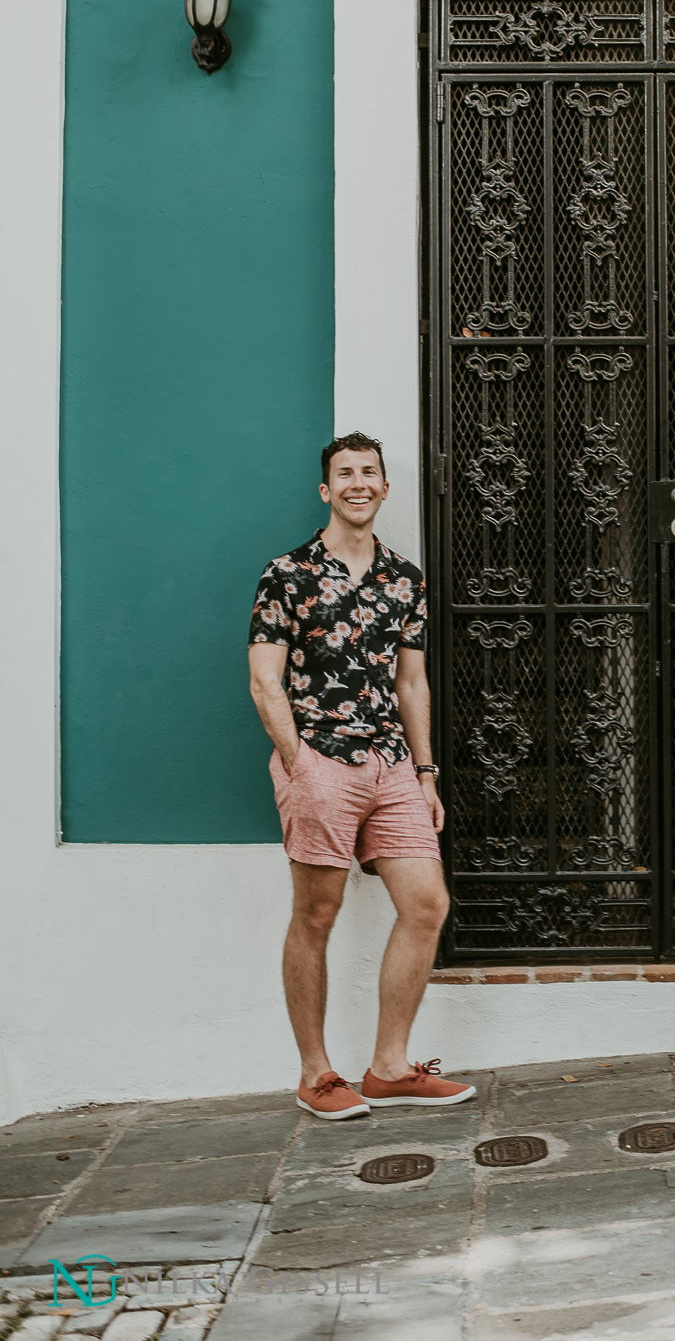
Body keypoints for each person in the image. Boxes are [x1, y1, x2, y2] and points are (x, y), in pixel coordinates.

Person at [248, 431, 474, 1119]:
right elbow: (265, 680)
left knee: (427, 903)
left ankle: (389, 1067)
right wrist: (298, 761)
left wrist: (427, 774)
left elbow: (412, 685)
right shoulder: (286, 574)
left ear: (383, 486)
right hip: (319, 761)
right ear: (327, 490)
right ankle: (317, 1074)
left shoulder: (403, 578)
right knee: (317, 913)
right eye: (344, 473)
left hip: (392, 766)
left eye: (368, 472)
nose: (357, 482)